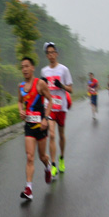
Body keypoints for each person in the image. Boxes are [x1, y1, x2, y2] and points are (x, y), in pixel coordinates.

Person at [19, 57, 54, 201]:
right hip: (29, 126)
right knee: (29, 156)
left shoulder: (40, 84)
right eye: (22, 67)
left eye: (27, 66)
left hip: (41, 126)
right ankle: (29, 189)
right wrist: (20, 110)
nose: (24, 69)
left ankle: (48, 166)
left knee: (42, 156)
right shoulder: (21, 86)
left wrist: (46, 118)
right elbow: (19, 101)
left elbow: (50, 100)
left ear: (33, 68)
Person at [40, 43, 72, 178]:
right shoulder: (44, 71)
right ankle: (53, 165)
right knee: (52, 135)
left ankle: (62, 158)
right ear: (46, 55)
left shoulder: (64, 70)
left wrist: (62, 86)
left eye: (53, 52)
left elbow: (71, 89)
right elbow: (42, 90)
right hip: (50, 106)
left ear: (57, 54)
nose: (51, 55)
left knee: (61, 135)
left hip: (61, 107)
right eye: (48, 53)